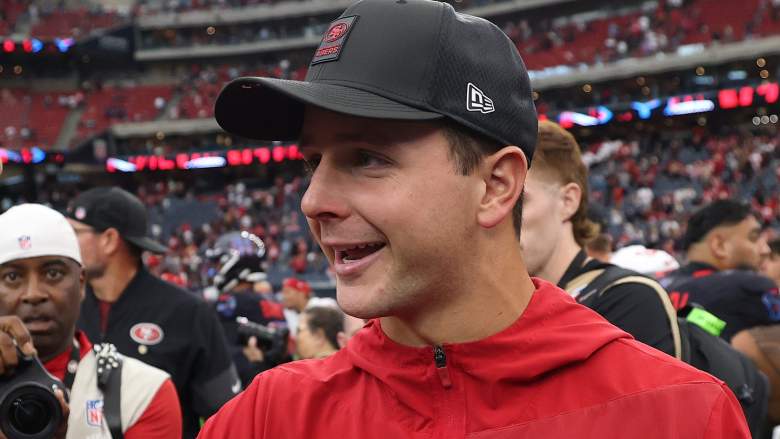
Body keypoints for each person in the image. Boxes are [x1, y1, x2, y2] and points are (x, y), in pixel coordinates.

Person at [200, 0, 749, 437]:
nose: (313, 200)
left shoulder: (677, 414)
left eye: (366, 158)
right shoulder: (263, 419)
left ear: (495, 186)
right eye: (313, 162)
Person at [64, 187, 240, 439]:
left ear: (109, 239)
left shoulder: (187, 311)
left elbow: (227, 415)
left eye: (75, 232)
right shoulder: (65, 308)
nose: (65, 243)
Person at [0, 204, 181, 438]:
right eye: (12, 277)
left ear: (81, 282)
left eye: (53, 273)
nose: (34, 293)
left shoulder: (141, 391)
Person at [521, 120, 679, 358]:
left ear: (568, 202)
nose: (499, 214)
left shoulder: (629, 299)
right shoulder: (506, 305)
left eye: (518, 200)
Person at [660, 199, 778, 341]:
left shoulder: (658, 288)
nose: (765, 249)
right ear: (719, 246)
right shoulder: (749, 287)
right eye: (753, 238)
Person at [208, 231, 288, 386]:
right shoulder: (271, 299)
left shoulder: (234, 301)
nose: (216, 269)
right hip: (274, 378)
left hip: (243, 381)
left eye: (219, 264)